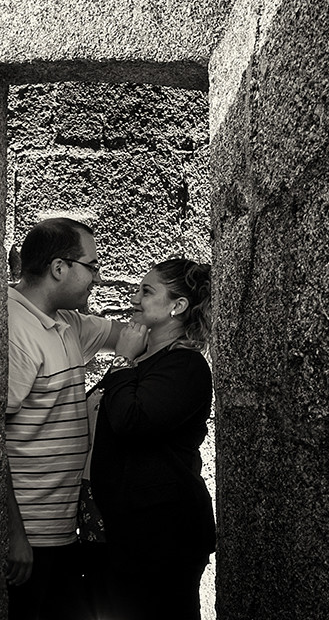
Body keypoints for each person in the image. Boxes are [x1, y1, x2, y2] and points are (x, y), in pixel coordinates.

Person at [6, 217, 124, 620]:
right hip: (29, 539)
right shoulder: (14, 328)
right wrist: (14, 534)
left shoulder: (68, 323)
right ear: (59, 268)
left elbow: (135, 337)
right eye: (91, 266)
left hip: (62, 534)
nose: (97, 277)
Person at [88, 258, 216, 620]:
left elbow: (133, 420)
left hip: (162, 536)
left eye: (146, 291)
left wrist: (123, 360)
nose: (134, 298)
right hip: (125, 532)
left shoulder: (186, 367)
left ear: (177, 307)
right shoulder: (147, 362)